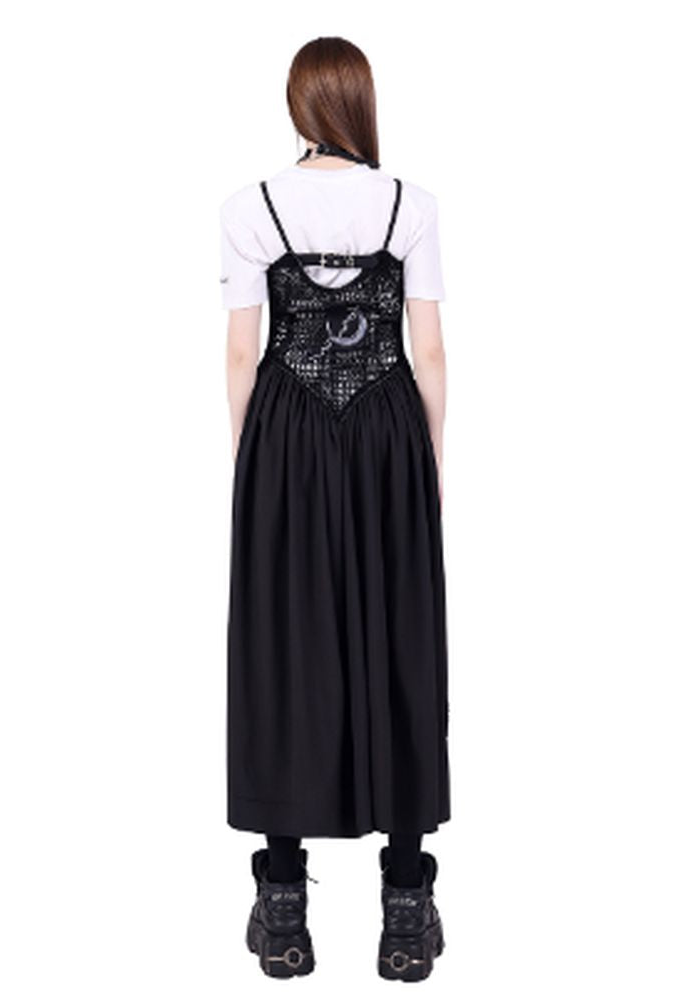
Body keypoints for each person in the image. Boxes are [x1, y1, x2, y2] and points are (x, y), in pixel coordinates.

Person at [219, 36, 450, 981]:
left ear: (298, 106)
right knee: (401, 640)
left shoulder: (250, 208)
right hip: (390, 430)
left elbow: (242, 354)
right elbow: (429, 352)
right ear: (359, 101)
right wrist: (431, 462)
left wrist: (255, 466)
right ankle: (406, 914)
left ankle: (283, 912)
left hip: (285, 434)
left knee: (286, 643)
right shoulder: (409, 205)